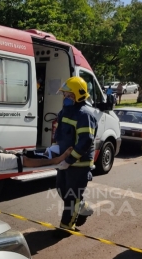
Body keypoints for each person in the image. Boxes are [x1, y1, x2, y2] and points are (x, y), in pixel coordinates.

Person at [53, 76, 98, 236]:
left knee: (71, 197)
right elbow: (59, 133)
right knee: (61, 189)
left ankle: (66, 227)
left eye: (68, 95)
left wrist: (70, 160)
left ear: (78, 95)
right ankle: (82, 207)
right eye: (64, 95)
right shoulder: (64, 112)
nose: (65, 98)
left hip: (79, 164)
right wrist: (55, 148)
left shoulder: (85, 115)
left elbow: (85, 142)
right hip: (64, 161)